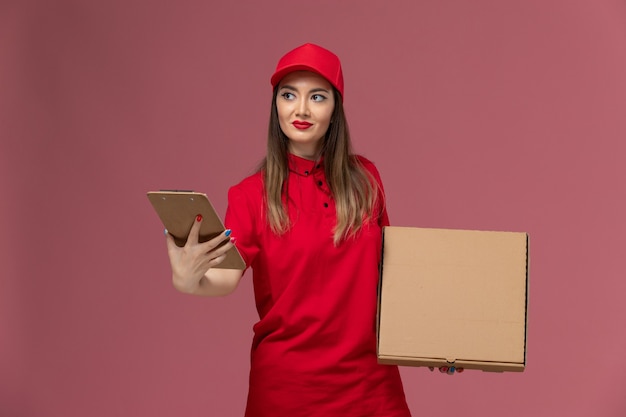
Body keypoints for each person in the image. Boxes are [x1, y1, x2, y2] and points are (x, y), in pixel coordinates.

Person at [165, 43, 412, 417]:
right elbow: (225, 275)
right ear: (276, 106)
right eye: (288, 95)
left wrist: (435, 339)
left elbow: (390, 278)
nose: (301, 109)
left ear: (336, 108)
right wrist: (188, 281)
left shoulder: (366, 180)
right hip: (286, 394)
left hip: (370, 391)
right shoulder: (250, 195)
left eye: (317, 96)